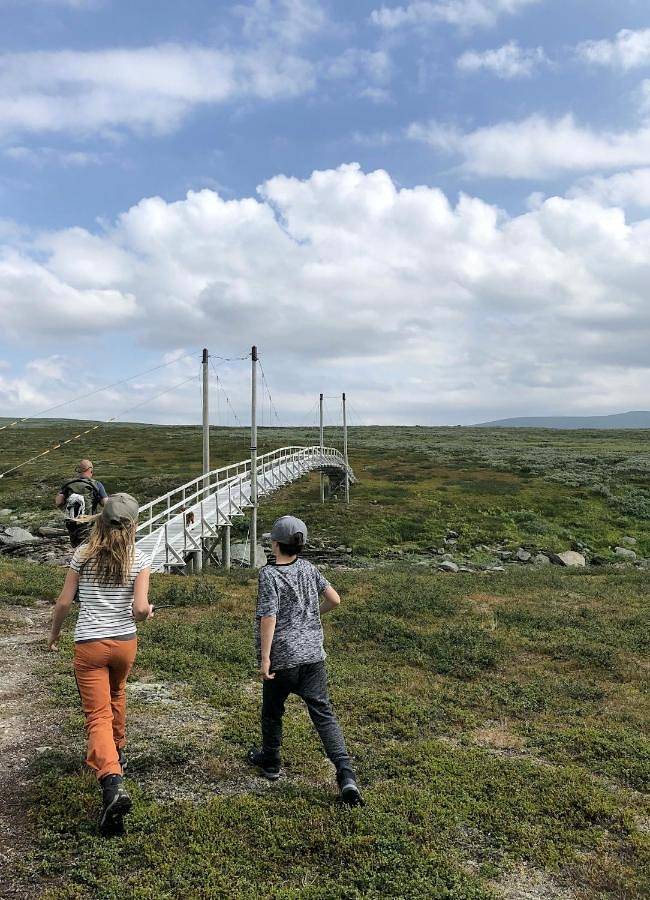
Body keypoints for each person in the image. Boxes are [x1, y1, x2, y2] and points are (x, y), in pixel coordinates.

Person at [48, 493, 153, 837]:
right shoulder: (139, 558)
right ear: (133, 524)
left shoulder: (82, 554)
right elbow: (139, 610)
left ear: (100, 520)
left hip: (90, 644)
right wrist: (146, 612)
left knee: (97, 715)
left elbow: (64, 602)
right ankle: (118, 751)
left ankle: (111, 782)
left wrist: (54, 635)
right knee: (117, 693)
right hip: (124, 644)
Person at [248, 515, 364, 807]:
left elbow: (269, 617)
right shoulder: (310, 568)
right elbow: (335, 599)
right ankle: (346, 774)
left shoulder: (269, 575)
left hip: (283, 658)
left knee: (273, 711)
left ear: (274, 544)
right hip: (313, 657)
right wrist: (311, 616)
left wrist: (264, 658)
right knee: (324, 715)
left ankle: (271, 762)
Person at [55, 459, 107, 548]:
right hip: (89, 524)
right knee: (90, 548)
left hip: (72, 525)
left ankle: (77, 560)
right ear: (90, 470)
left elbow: (58, 502)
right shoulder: (96, 484)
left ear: (79, 470)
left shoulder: (69, 485)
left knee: (76, 548)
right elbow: (106, 503)